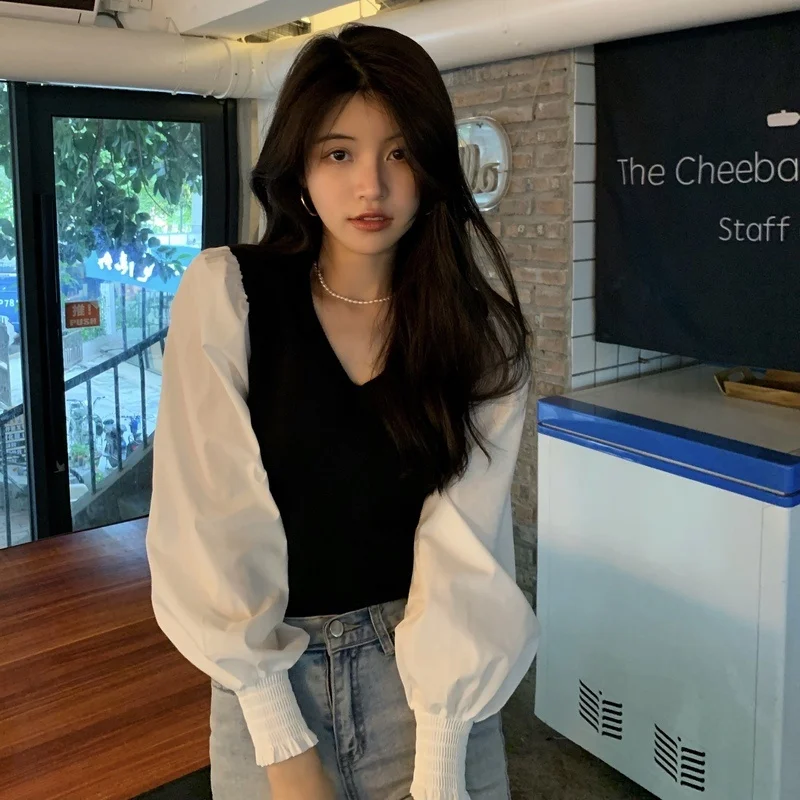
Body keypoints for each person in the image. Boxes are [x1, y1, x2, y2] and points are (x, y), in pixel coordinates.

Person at [145, 22, 539, 800]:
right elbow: (209, 514)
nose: (371, 187)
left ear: (434, 164)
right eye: (339, 154)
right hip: (270, 681)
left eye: (400, 153)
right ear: (299, 164)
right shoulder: (230, 296)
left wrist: (440, 759)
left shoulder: (479, 334)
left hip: (429, 688)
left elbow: (469, 540)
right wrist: (282, 741)